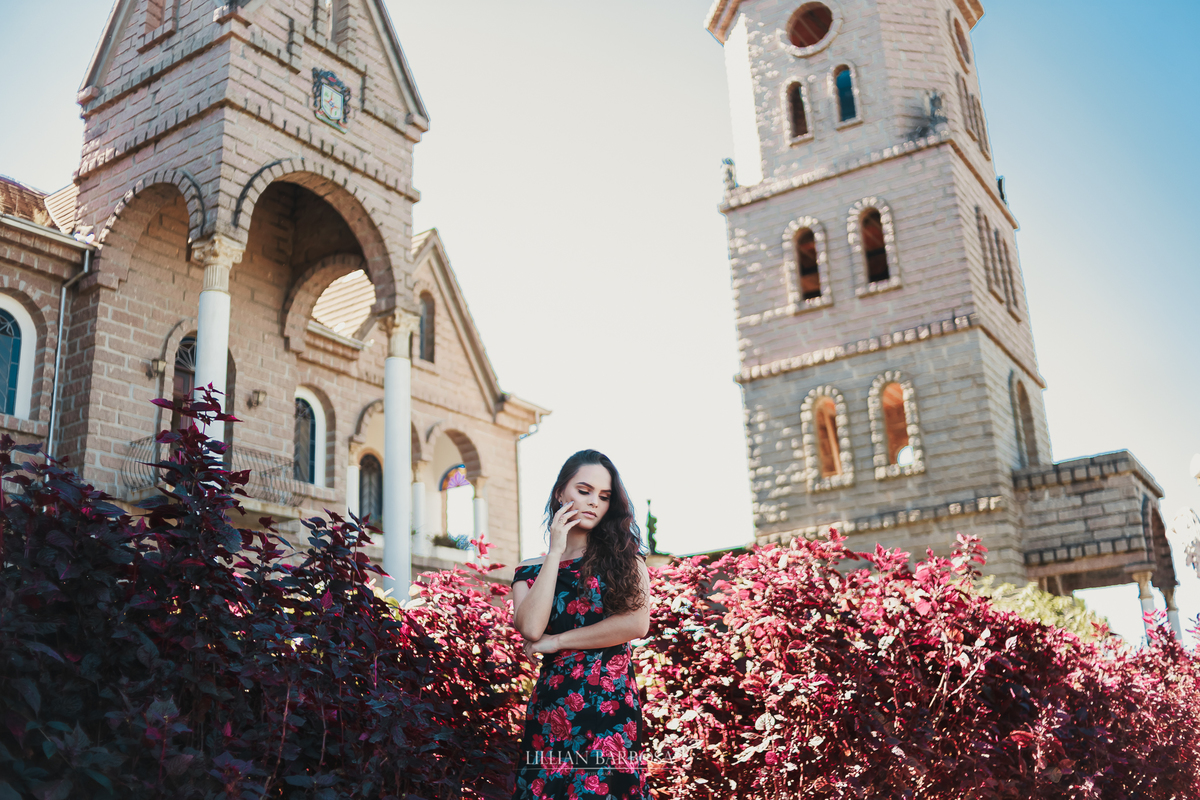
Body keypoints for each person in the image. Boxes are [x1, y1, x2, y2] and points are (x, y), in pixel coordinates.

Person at [509, 449, 652, 800]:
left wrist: (556, 643)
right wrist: (555, 553)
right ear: (561, 492)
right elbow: (530, 627)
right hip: (554, 703)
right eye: (584, 491)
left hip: (610, 701)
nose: (593, 503)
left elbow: (635, 624)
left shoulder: (626, 560)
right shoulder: (529, 570)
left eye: (603, 497)